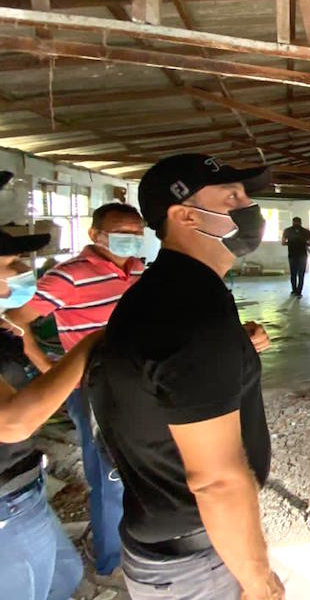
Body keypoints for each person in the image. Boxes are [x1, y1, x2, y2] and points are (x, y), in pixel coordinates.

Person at [86, 154, 283, 600]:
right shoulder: (190, 312)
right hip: (196, 564)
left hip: (179, 544)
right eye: (232, 196)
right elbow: (217, 481)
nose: (248, 206)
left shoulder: (176, 291)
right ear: (186, 215)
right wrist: (260, 583)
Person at [8, 201, 146, 581]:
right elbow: (15, 322)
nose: (132, 240)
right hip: (93, 387)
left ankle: (134, 540)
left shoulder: (138, 271)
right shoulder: (69, 276)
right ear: (95, 235)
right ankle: (111, 560)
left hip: (136, 382)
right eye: (123, 232)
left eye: (137, 233)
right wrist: (51, 371)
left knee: (139, 464)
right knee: (109, 474)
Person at [0, 225, 99, 600]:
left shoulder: (5, 326)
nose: (24, 269)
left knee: (65, 575)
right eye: (12, 262)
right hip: (6, 503)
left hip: (23, 488)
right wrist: (88, 348)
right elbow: (12, 422)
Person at [281, 216, 310, 296]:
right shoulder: (305, 231)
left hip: (292, 255)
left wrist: (290, 243)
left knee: (293, 273)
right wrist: (303, 243)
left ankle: (294, 290)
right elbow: (309, 243)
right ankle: (299, 291)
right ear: (300, 222)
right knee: (301, 274)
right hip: (303, 255)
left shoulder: (287, 231)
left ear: (293, 222)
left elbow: (283, 242)